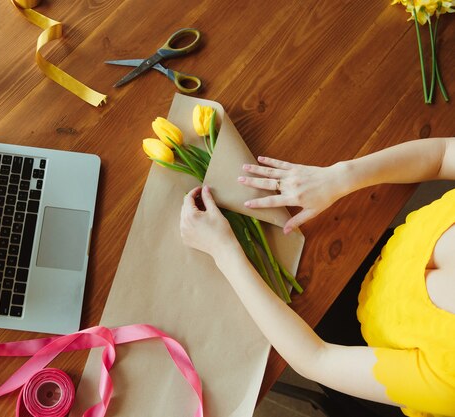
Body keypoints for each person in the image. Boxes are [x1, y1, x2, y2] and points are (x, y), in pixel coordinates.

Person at [180, 138, 455, 417]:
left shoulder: (450, 381)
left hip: (353, 339)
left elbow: (317, 359)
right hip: (378, 250)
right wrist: (339, 177)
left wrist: (224, 251)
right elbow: (442, 154)